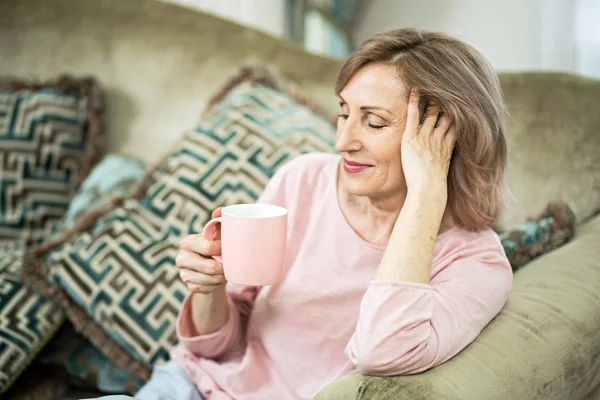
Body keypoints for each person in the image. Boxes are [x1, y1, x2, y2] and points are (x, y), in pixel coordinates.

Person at [92, 28, 512, 400]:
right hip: (189, 386)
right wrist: (209, 287)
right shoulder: (302, 180)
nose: (342, 141)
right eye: (344, 113)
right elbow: (214, 350)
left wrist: (426, 194)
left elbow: (381, 351)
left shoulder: (476, 262)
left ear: (446, 137)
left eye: (374, 123)